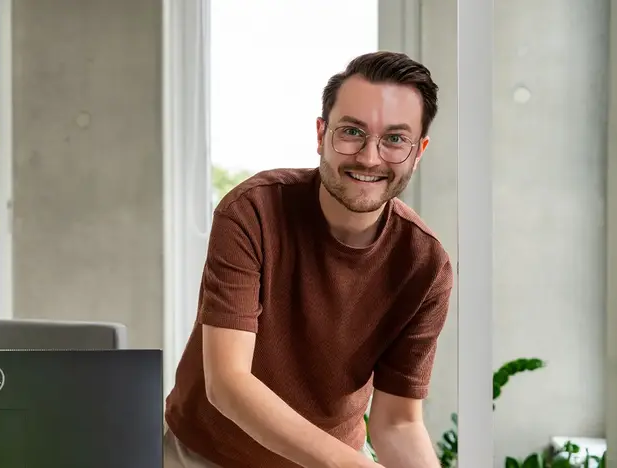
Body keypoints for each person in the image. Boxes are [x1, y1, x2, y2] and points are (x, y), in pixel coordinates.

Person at [163, 51, 452, 468]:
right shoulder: (252, 211)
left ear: (418, 150)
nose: (370, 158)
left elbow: (397, 424)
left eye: (394, 139)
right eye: (352, 132)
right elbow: (227, 382)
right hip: (204, 453)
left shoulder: (426, 265)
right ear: (321, 134)